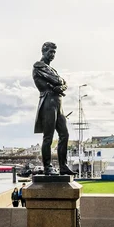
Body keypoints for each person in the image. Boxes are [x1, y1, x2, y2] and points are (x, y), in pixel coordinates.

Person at [32, 42, 75, 175]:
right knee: (48, 137)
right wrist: (59, 84)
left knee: (64, 134)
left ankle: (63, 165)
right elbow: (57, 80)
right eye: (50, 52)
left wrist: (61, 86)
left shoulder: (52, 69)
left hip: (58, 104)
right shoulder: (39, 66)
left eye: (54, 52)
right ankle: (48, 167)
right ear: (43, 52)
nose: (52, 55)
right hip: (48, 103)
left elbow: (63, 83)